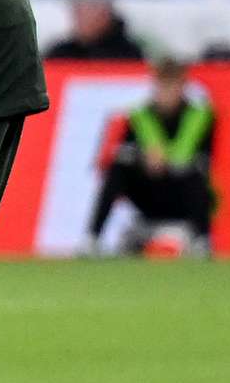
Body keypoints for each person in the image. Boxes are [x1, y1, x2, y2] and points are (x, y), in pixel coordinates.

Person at [86, 54, 216, 254]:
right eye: (162, 86)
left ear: (182, 87)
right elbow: (125, 152)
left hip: (181, 194)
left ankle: (201, 240)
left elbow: (202, 159)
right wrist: (143, 159)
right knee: (118, 168)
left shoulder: (199, 116)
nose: (167, 93)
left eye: (172, 86)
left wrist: (166, 160)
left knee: (195, 176)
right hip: (148, 193)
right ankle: (92, 239)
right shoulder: (141, 116)